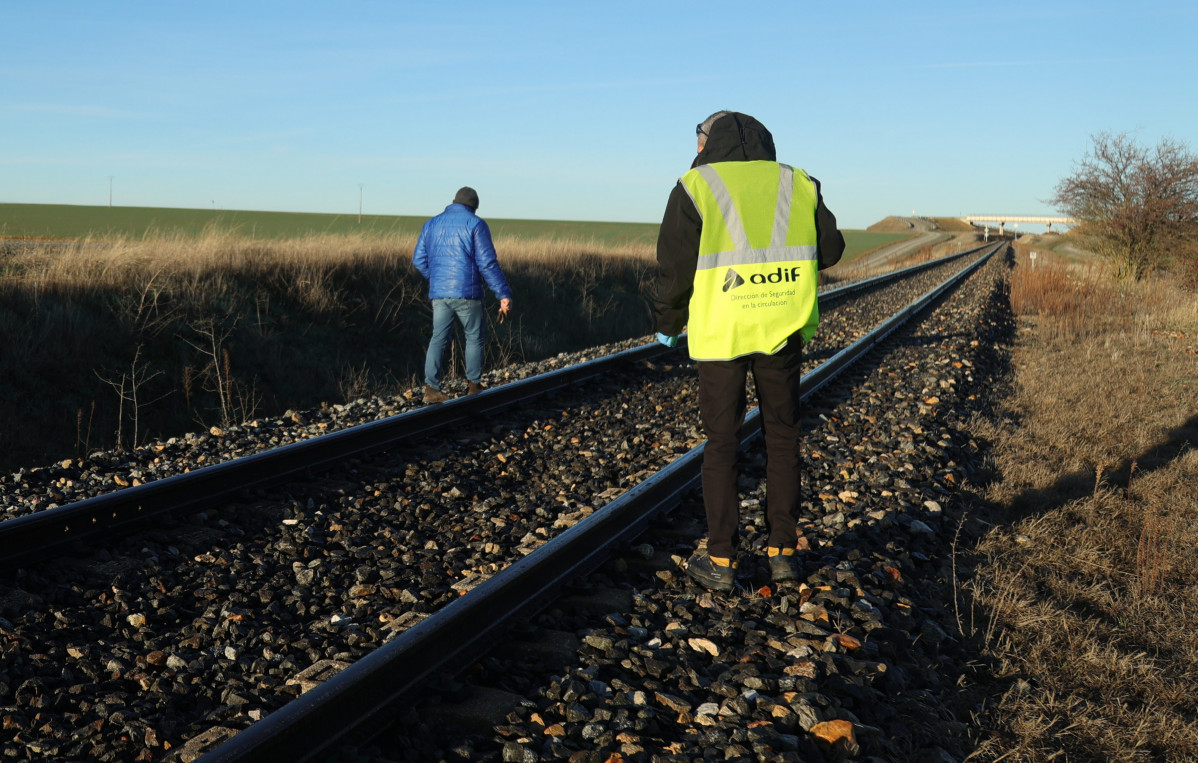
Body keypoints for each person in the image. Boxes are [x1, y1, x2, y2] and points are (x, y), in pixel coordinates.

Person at [654, 111, 844, 591]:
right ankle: (782, 553)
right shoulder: (799, 183)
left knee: (722, 444)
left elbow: (674, 268)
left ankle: (721, 561)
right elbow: (832, 249)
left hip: (721, 334)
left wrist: (668, 324)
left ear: (706, 142)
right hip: (781, 328)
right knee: (783, 438)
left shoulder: (694, 186)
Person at [413, 186, 513, 404]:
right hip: (468, 293)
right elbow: (486, 263)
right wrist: (502, 293)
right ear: (474, 206)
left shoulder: (431, 224)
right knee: (474, 337)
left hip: (440, 294)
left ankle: (431, 389)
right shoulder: (476, 224)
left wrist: (438, 279)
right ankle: (474, 386)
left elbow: (418, 260)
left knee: (438, 338)